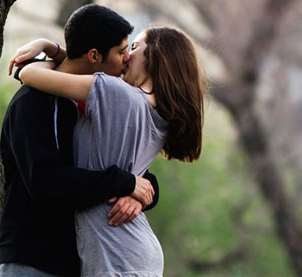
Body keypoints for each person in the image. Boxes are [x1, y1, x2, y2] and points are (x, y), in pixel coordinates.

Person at [15, 24, 206, 277]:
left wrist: (49, 47)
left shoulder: (113, 92)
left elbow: (29, 74)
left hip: (117, 254)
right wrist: (130, 188)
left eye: (135, 48)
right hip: (131, 251)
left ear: (155, 57)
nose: (127, 56)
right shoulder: (160, 117)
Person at [0, 4, 158, 277]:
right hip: (33, 261)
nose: (126, 60)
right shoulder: (33, 102)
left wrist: (143, 192)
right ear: (94, 55)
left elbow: (121, 164)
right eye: (121, 52)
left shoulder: (92, 105)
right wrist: (124, 183)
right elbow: (45, 181)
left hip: (79, 262)